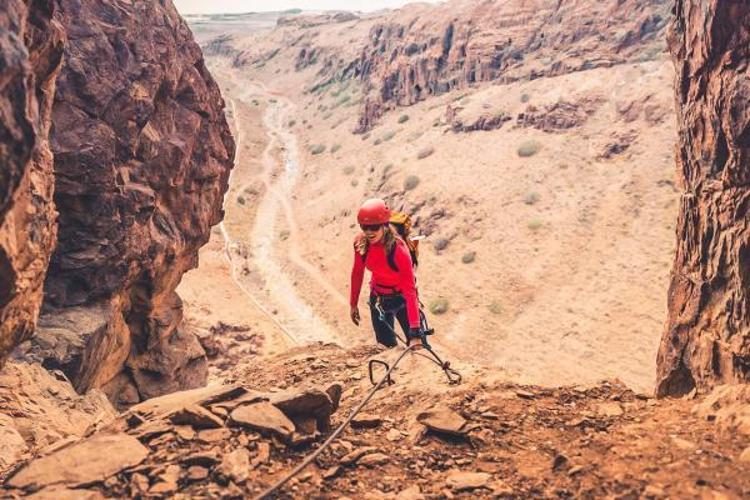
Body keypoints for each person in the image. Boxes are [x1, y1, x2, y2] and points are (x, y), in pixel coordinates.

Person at [349, 198, 425, 348]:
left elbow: (410, 290)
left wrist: (415, 332)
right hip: (379, 300)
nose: (369, 232)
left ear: (384, 225)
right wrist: (353, 304)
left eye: (374, 227)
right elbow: (357, 273)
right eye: (364, 227)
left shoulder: (399, 250)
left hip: (403, 298)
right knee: (386, 349)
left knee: (418, 348)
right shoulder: (361, 243)